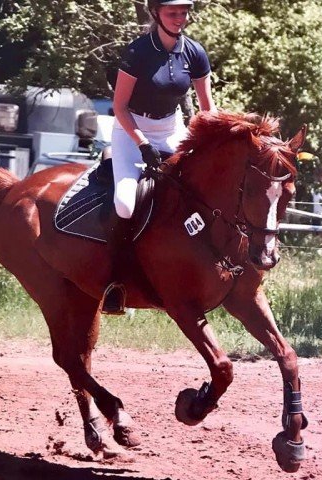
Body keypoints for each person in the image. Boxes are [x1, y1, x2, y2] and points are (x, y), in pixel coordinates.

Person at [102, 0, 217, 314]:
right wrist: (141, 144)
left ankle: (206, 267)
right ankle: (115, 280)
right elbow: (120, 107)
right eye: (172, 13)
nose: (180, 18)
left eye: (183, 12)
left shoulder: (194, 52)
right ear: (156, 14)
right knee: (126, 202)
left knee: (199, 192)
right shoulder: (137, 51)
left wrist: (213, 143)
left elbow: (208, 109)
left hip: (171, 127)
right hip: (131, 130)